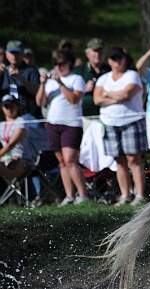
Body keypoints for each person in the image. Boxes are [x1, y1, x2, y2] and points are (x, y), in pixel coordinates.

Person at [93, 47, 147, 206]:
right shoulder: (103, 78)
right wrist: (117, 96)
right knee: (119, 160)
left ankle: (139, 195)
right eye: (114, 59)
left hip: (131, 121)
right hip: (110, 122)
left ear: (125, 59)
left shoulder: (132, 75)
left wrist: (107, 94)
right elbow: (97, 100)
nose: (117, 62)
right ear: (109, 61)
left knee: (134, 159)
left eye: (120, 58)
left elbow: (126, 95)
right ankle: (125, 195)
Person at [35, 50, 89, 206]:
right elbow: (40, 102)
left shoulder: (76, 79)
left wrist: (60, 83)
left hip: (71, 124)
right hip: (53, 123)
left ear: (69, 63)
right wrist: (44, 83)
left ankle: (83, 195)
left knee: (70, 159)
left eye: (61, 64)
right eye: (56, 64)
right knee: (62, 162)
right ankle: (69, 196)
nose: (58, 67)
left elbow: (74, 99)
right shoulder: (50, 82)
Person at [0, 40, 41, 117]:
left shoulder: (31, 71)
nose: (14, 56)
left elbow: (37, 92)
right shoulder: (3, 72)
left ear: (22, 54)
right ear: (6, 55)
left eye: (17, 53)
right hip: (8, 119)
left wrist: (21, 78)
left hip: (29, 117)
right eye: (12, 53)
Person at [73, 38, 110, 121]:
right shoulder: (78, 71)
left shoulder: (110, 70)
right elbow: (69, 95)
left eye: (100, 51)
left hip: (107, 116)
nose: (98, 54)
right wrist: (84, 89)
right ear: (87, 54)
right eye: (95, 51)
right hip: (84, 118)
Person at [0, 94, 36, 178]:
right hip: (6, 158)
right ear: (2, 108)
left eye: (12, 105)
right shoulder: (1, 125)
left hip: (23, 159)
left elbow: (11, 145)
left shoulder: (22, 121)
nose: (10, 109)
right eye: (6, 106)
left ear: (18, 106)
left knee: (13, 163)